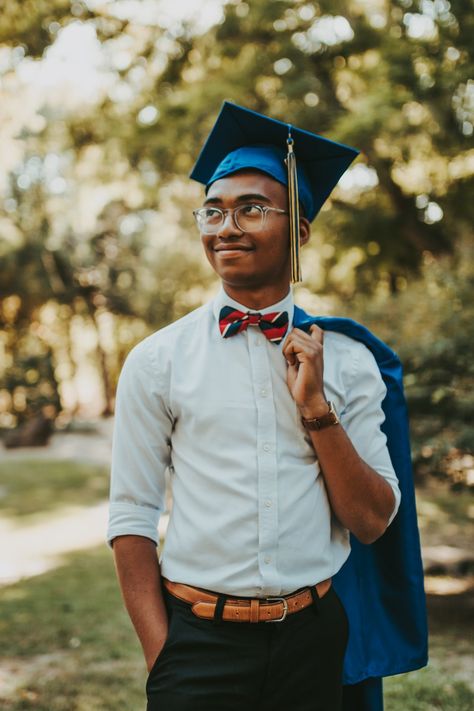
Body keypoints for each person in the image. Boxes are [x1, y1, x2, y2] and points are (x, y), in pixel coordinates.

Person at [107, 102, 426, 711]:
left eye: (252, 209)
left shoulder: (351, 362)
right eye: (213, 210)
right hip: (197, 645)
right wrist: (162, 657)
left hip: (315, 638)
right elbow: (131, 515)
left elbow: (372, 521)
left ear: (300, 231)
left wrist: (316, 408)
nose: (226, 226)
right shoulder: (157, 361)